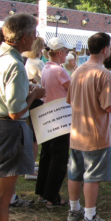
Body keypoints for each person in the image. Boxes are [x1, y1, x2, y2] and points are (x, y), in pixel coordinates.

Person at [0, 14, 46, 221]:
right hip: (7, 131)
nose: (37, 38)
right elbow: (16, 112)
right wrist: (34, 94)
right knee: (3, 198)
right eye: (35, 32)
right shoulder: (15, 64)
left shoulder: (1, 57)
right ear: (24, 37)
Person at [66, 32, 111, 221]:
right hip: (95, 134)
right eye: (110, 47)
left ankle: (74, 209)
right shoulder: (104, 74)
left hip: (77, 132)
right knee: (92, 176)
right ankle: (90, 217)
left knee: (74, 173)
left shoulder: (77, 70)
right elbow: (108, 107)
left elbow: (70, 99)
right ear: (105, 49)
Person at [35, 37, 73, 208]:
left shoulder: (46, 68)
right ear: (60, 52)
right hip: (60, 117)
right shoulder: (59, 71)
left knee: (47, 156)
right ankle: (52, 197)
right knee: (59, 158)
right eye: (65, 52)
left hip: (47, 115)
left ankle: (43, 193)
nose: (67, 55)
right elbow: (74, 90)